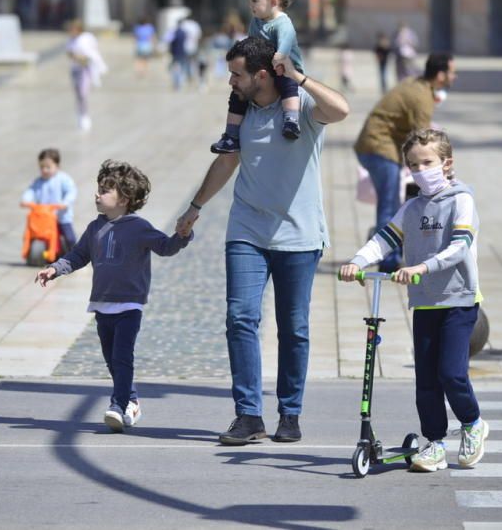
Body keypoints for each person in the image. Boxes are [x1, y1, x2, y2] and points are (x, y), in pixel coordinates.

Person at [175, 36, 350, 446]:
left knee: (294, 327)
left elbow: (341, 109)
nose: (230, 82)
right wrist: (195, 206)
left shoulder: (300, 107)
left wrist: (299, 77)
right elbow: (226, 161)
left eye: (237, 75)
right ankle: (249, 415)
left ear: (262, 75)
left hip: (299, 235)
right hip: (247, 231)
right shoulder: (243, 114)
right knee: (240, 318)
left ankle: (290, 412)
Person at [339, 128, 487, 473]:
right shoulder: (412, 207)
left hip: (459, 300)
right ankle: (435, 443)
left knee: (451, 373)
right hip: (424, 302)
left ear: (446, 163)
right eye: (413, 165)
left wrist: (422, 266)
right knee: (426, 381)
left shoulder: (462, 201)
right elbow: (384, 239)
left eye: (427, 163)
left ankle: (473, 423)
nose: (420, 170)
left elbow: (459, 247)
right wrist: (357, 262)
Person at [36, 160, 193, 432]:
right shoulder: (94, 228)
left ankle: (118, 405)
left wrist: (182, 235)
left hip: (129, 305)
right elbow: (78, 255)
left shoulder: (139, 227)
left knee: (122, 356)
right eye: (98, 189)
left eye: (104, 190)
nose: (97, 194)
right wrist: (55, 269)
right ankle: (131, 401)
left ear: (124, 199)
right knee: (112, 360)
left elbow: (165, 247)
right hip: (102, 305)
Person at [353, 53, 457, 273]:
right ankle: (388, 260)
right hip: (379, 147)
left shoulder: (418, 85)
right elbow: (424, 142)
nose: (454, 76)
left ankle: (390, 253)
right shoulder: (422, 98)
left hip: (373, 144)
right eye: (451, 72)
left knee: (391, 204)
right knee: (389, 205)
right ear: (440, 75)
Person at [211, 0, 305, 154]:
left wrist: (281, 55)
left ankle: (291, 120)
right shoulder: (256, 21)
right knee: (237, 95)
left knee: (288, 86)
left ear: (273, 1)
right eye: (249, 1)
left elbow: (286, 42)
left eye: (254, 0)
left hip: (286, 68)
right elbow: (251, 43)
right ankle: (231, 135)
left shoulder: (282, 23)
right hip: (264, 67)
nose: (250, 6)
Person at [21, 148, 79, 252]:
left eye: (48, 167)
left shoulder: (63, 179)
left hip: (61, 217)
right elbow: (31, 190)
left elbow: (71, 191)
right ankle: (31, 252)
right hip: (43, 216)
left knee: (70, 238)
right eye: (42, 167)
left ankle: (75, 255)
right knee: (33, 233)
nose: (44, 170)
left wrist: (65, 202)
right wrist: (26, 200)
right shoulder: (38, 181)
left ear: (57, 166)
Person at [66, 19, 107, 130]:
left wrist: (81, 58)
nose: (72, 32)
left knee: (83, 93)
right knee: (78, 94)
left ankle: (85, 116)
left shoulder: (85, 39)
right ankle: (80, 113)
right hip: (75, 69)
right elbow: (69, 53)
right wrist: (75, 56)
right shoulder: (71, 40)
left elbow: (91, 54)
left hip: (85, 69)